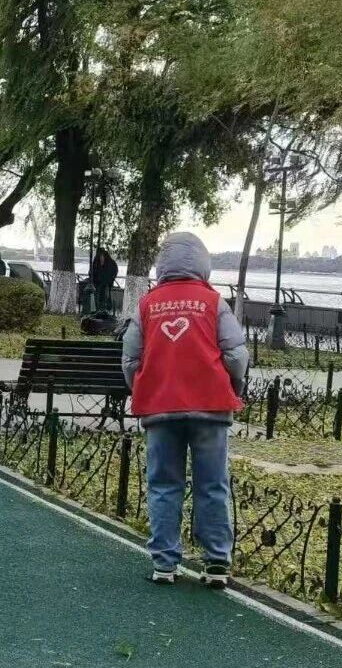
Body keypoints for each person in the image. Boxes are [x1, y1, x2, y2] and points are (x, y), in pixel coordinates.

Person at [121, 232, 248, 588]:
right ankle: (217, 563)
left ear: (162, 264)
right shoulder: (213, 302)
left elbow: (130, 359)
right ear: (203, 262)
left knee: (163, 484)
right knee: (213, 485)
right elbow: (236, 355)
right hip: (210, 406)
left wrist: (143, 386)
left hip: (161, 408)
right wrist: (232, 385)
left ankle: (164, 563)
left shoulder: (147, 305)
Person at [90, 248, 119, 312]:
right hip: (97, 283)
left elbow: (115, 271)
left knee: (105, 296)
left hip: (107, 283)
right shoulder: (96, 262)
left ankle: (105, 309)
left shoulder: (111, 262)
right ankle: (97, 309)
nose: (101, 258)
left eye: (102, 256)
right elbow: (91, 272)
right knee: (97, 296)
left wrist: (111, 279)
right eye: (100, 256)